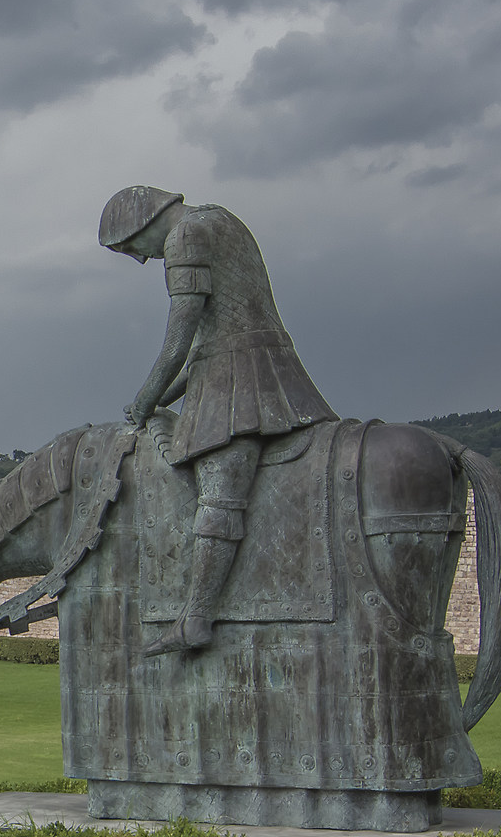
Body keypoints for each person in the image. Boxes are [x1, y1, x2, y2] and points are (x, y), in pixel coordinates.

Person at [103, 184, 337, 656]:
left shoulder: (184, 237)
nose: (139, 258)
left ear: (144, 222)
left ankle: (196, 617)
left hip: (239, 382)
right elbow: (202, 349)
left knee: (219, 498)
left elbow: (181, 336)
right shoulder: (220, 218)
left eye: (130, 247)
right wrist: (157, 399)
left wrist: (147, 396)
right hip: (259, 367)